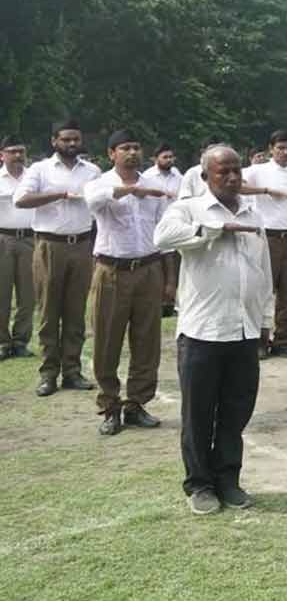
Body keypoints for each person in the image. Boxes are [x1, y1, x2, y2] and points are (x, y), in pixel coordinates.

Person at [154, 145, 271, 515]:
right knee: (199, 413)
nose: (233, 178)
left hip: (244, 330)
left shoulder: (254, 213)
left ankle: (228, 480)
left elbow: (263, 272)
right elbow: (162, 237)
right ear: (205, 177)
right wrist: (216, 229)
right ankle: (200, 484)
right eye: (224, 172)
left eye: (237, 171)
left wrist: (265, 321)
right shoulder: (188, 209)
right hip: (202, 331)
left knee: (236, 411)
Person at [83, 129, 168, 435]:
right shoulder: (99, 183)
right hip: (112, 270)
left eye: (136, 147)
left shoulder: (154, 185)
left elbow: (163, 229)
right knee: (107, 339)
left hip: (148, 267)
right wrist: (130, 191)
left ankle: (136, 404)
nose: (132, 153)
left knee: (147, 340)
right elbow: (93, 202)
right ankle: (110, 406)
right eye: (124, 148)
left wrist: (167, 277)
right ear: (111, 154)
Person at [13, 119, 101, 396]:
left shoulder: (93, 171)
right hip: (50, 245)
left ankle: (72, 371)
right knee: (49, 311)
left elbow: (102, 203)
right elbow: (21, 200)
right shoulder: (40, 169)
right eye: (66, 139)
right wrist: (58, 195)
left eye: (76, 139)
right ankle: (49, 372)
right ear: (54, 141)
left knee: (76, 311)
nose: (72, 144)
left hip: (83, 244)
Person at [241, 130, 287, 358]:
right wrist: (265, 190)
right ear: (271, 149)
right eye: (280, 148)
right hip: (266, 237)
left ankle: (282, 340)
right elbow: (236, 186)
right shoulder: (257, 171)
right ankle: (259, 341)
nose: (285, 152)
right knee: (262, 291)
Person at [0, 137, 35, 361]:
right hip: (3, 238)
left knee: (28, 295)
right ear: (2, 154)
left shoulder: (33, 178)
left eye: (21, 151)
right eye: (12, 152)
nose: (18, 156)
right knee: (2, 293)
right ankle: (2, 342)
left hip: (31, 239)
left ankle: (21, 340)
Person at [144, 143, 183, 316]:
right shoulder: (148, 177)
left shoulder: (177, 175)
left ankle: (172, 303)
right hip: (155, 227)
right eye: (165, 157)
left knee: (175, 266)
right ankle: (158, 304)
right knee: (158, 267)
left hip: (176, 224)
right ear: (155, 159)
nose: (169, 160)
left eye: (171, 157)